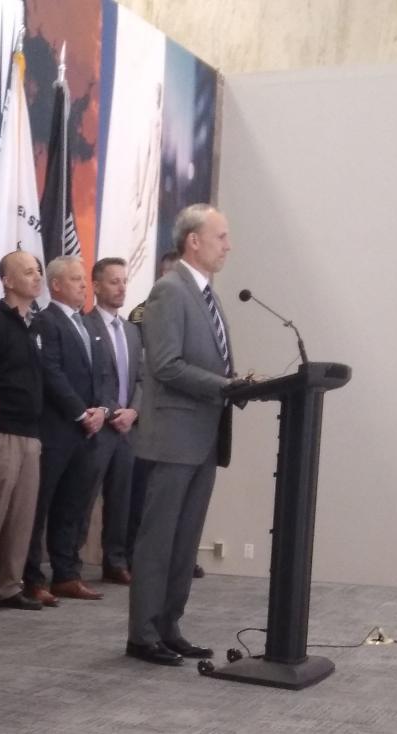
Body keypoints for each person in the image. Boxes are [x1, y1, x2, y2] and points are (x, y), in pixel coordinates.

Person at [126, 204, 235, 667]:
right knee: (159, 539)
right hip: (173, 434)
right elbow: (166, 364)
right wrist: (227, 386)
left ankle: (169, 626)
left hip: (203, 436)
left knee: (186, 540)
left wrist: (233, 382)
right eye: (221, 236)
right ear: (194, 240)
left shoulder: (208, 294)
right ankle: (142, 634)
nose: (228, 245)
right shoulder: (170, 291)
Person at [23, 256, 112, 606]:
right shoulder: (46, 321)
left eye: (83, 279)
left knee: (74, 508)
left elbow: (104, 374)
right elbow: (50, 371)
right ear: (56, 285)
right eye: (75, 279)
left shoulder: (88, 325)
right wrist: (80, 412)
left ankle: (67, 574)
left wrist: (103, 410)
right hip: (58, 430)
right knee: (41, 506)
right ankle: (32, 577)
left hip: (88, 433)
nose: (83, 285)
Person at [0, 250, 45, 613]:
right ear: (8, 281)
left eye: (38, 271)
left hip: (32, 432)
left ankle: (8, 585)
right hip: (1, 430)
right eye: (28, 272)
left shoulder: (38, 326)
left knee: (21, 517)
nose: (37, 277)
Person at [83, 257, 143, 585]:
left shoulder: (132, 332)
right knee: (83, 498)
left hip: (126, 428)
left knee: (121, 499)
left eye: (124, 281)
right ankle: (67, 566)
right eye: (113, 281)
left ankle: (115, 560)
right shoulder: (86, 324)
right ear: (96, 285)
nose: (121, 288)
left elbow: (142, 379)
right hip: (96, 427)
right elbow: (87, 378)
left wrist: (133, 410)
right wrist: (109, 411)